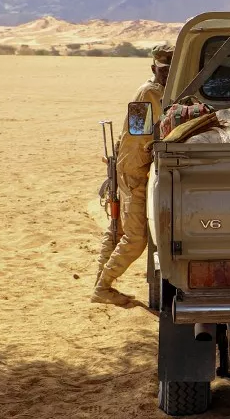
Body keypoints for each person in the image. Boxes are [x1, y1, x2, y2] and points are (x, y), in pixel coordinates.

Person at [92, 43, 173, 304]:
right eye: (163, 69)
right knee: (136, 239)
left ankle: (100, 283)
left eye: (172, 68)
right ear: (153, 68)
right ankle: (103, 288)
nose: (168, 73)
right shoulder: (151, 92)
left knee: (118, 230)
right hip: (135, 171)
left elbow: (138, 131)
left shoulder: (154, 90)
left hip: (131, 166)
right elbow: (147, 130)